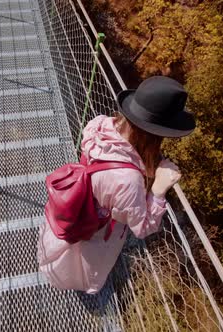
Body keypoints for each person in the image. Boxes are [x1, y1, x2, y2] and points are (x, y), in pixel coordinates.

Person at [37, 76, 196, 294]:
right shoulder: (128, 180)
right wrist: (158, 190)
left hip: (82, 200)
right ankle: (76, 282)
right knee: (80, 261)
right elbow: (143, 227)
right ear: (156, 135)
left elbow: (113, 166)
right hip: (96, 228)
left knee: (68, 251)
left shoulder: (100, 125)